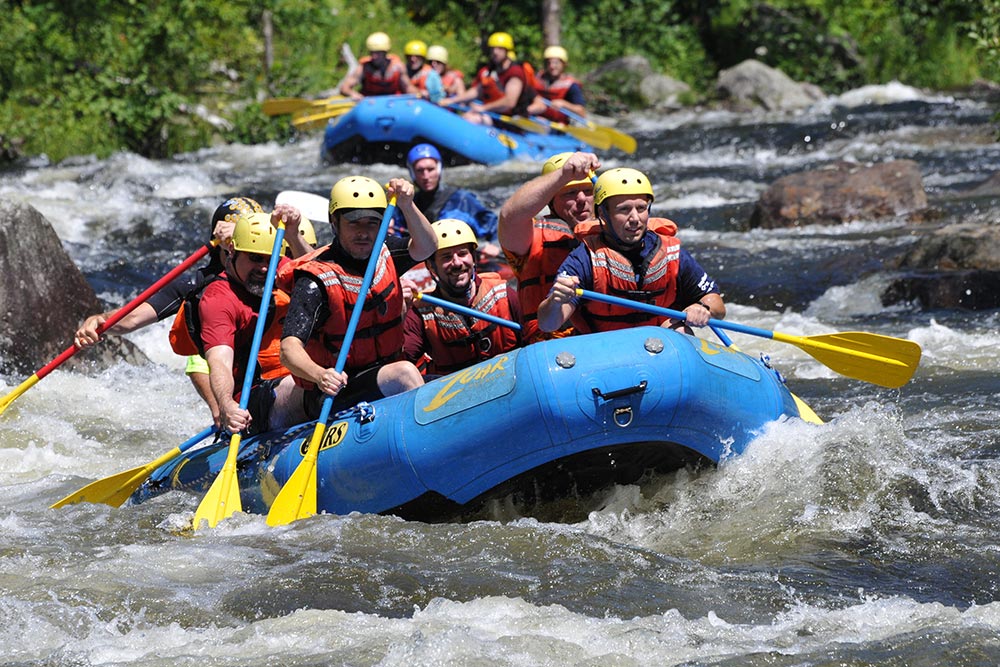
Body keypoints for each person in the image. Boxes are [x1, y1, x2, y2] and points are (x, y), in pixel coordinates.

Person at [74, 197, 313, 427]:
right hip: (241, 379)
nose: (263, 265)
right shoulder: (202, 287)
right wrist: (100, 320)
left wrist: (292, 234)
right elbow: (135, 319)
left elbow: (319, 278)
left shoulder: (274, 267)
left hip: (288, 370)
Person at [279, 176, 438, 418]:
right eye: (354, 223)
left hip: (384, 372)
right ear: (335, 223)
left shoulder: (385, 252)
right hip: (336, 390)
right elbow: (289, 349)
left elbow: (427, 247)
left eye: (372, 223)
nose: (363, 233)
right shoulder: (315, 281)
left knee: (436, 378)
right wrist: (320, 375)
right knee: (404, 374)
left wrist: (407, 204)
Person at [537, 167, 725, 335]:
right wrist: (555, 301)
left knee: (680, 330)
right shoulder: (584, 258)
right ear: (602, 214)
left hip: (660, 348)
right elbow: (548, 324)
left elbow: (717, 305)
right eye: (624, 209)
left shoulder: (671, 253)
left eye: (641, 208)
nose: (635, 218)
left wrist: (701, 307)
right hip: (605, 349)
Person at [198, 212, 308, 435]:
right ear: (231, 252)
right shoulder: (219, 299)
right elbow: (220, 361)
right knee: (305, 386)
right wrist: (226, 404)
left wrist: (294, 236)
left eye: (271, 259)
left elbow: (327, 275)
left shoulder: (282, 268)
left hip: (303, 375)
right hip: (253, 398)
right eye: (255, 258)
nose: (265, 268)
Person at [497, 151, 600, 342]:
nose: (581, 199)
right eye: (570, 193)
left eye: (588, 191)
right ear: (551, 201)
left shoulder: (613, 233)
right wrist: (563, 175)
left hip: (600, 342)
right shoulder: (530, 237)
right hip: (548, 347)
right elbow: (509, 216)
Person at [404, 219, 521, 376]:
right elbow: (402, 362)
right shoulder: (420, 312)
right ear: (431, 267)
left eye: (462, 254)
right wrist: (400, 313)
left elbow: (535, 338)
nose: (457, 263)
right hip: (455, 395)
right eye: (446, 257)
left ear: (473, 258)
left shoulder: (503, 294)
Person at [391, 143, 500, 261]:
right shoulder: (406, 204)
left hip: (458, 260)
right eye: (420, 170)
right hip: (428, 262)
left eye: (430, 169)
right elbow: (398, 237)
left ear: (439, 169)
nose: (426, 176)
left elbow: (494, 227)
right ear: (412, 173)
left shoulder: (463, 200)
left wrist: (494, 246)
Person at [439, 31, 537, 125]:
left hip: (509, 121)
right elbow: (477, 91)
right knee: (468, 116)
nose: (495, 52)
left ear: (507, 51)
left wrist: (483, 108)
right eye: (493, 48)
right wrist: (452, 100)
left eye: (499, 49)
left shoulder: (515, 72)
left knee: (472, 118)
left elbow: (509, 102)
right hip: (493, 115)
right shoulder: (491, 70)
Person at [339, 32, 417, 100]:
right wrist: (353, 94)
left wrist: (418, 94)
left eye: (378, 53)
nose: (374, 56)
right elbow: (345, 87)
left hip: (393, 103)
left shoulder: (398, 67)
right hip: (370, 103)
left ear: (385, 53)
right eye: (372, 53)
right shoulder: (364, 68)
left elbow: (408, 87)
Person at [526, 45, 586, 124]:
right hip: (533, 119)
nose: (552, 66)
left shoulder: (571, 85)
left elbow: (581, 112)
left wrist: (564, 104)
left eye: (556, 63)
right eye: (549, 63)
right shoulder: (536, 79)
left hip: (556, 126)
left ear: (564, 64)